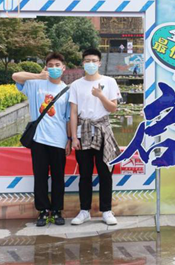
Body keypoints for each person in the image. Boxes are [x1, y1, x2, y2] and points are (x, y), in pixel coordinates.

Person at [12, 52, 71, 227]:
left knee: (58, 177)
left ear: (64, 68)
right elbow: (15, 76)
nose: (54, 68)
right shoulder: (35, 84)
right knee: (40, 177)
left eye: (57, 65)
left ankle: (57, 210)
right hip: (39, 139)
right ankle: (43, 210)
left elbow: (68, 118)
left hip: (59, 140)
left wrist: (69, 139)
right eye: (50, 65)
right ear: (46, 67)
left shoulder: (67, 90)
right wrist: (39, 76)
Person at [69, 48, 121, 226]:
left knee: (105, 172)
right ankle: (84, 211)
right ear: (83, 63)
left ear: (99, 63)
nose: (90, 64)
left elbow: (113, 108)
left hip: (103, 130)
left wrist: (100, 95)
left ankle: (106, 210)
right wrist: (73, 137)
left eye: (94, 61)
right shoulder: (76, 85)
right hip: (83, 132)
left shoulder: (109, 82)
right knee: (85, 174)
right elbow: (73, 112)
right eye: (87, 61)